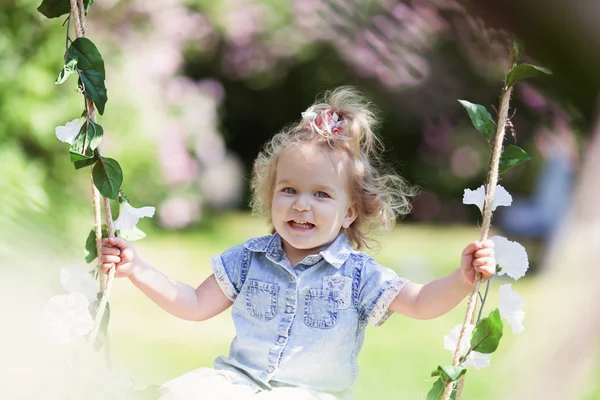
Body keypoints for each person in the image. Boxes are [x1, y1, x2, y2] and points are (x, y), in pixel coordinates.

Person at [99, 87, 496, 400]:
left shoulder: (358, 276)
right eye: (289, 189)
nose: (301, 205)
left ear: (350, 213)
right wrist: (138, 270)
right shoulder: (248, 259)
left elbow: (420, 301)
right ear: (270, 195)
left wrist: (463, 279)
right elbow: (193, 304)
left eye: (321, 195)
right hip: (236, 386)